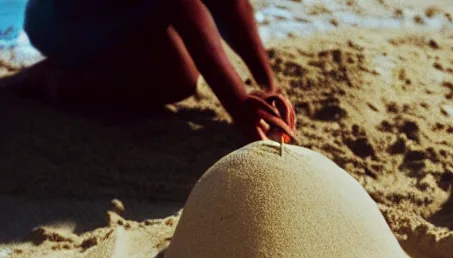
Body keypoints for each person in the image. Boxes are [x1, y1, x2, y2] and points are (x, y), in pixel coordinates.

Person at [2, 0, 297, 143]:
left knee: (178, 72)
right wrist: (242, 109)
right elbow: (185, 8)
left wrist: (269, 84)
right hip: (64, 20)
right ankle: (50, 80)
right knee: (177, 78)